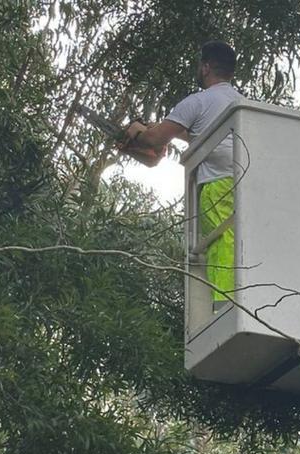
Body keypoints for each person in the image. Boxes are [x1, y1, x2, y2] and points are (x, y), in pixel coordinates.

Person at [123, 40, 241, 303]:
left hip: (217, 183)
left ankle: (225, 305)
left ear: (206, 67)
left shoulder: (197, 102)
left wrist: (138, 133)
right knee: (236, 239)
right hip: (243, 182)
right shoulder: (239, 103)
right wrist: (162, 129)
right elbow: (203, 134)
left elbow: (154, 140)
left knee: (221, 242)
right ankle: (233, 301)